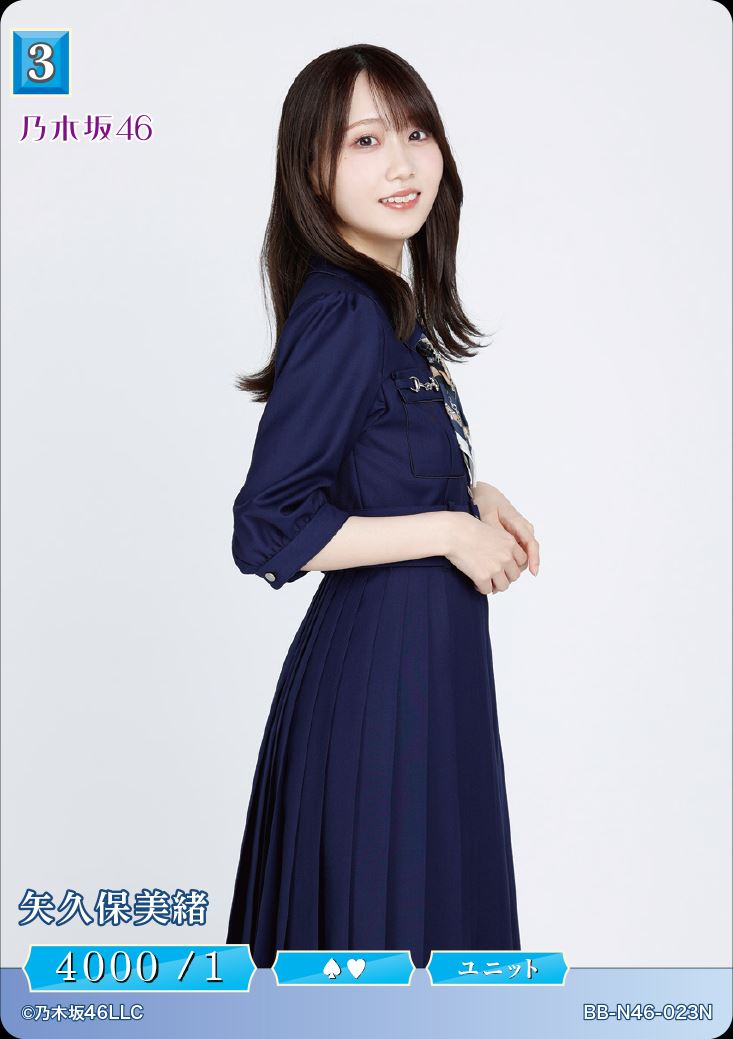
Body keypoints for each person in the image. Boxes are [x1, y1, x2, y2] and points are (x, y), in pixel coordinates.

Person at [226, 43, 540, 970]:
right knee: (385, 967)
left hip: (423, 685)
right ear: (311, 171)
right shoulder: (344, 314)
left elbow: (368, 468)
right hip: (380, 694)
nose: (401, 164)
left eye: (414, 133)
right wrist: (445, 529)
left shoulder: (389, 310)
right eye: (364, 141)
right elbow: (268, 525)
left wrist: (469, 493)